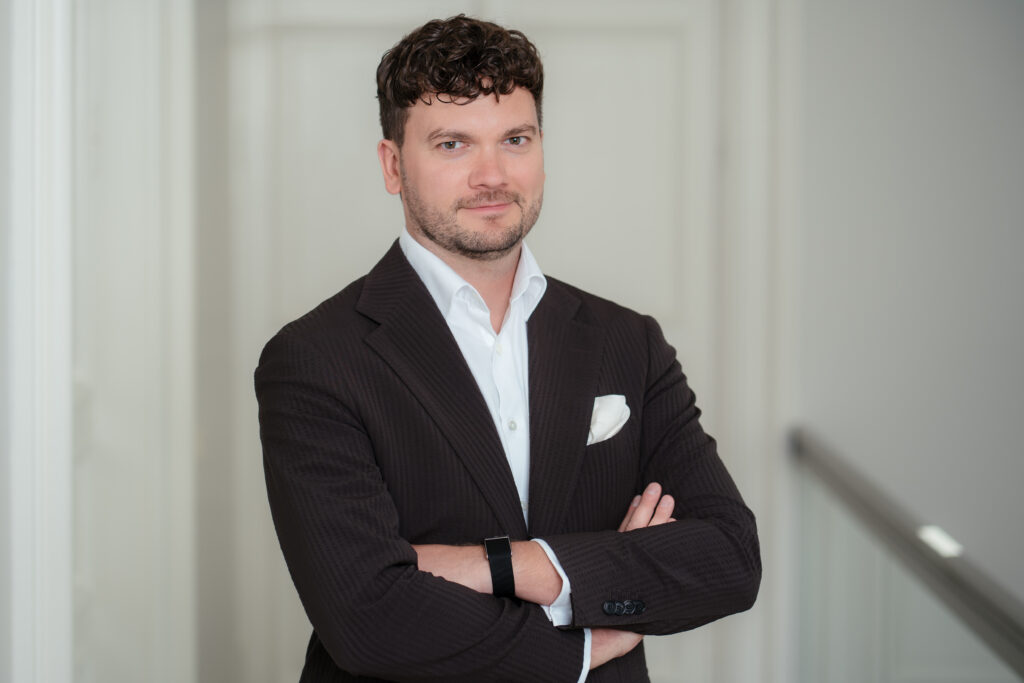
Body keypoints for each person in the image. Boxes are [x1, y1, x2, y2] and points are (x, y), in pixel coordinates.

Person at [255, 14, 760, 683]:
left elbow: (730, 558)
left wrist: (504, 565)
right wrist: (585, 636)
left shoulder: (628, 342)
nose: (491, 176)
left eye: (515, 139)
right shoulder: (315, 359)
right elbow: (368, 616)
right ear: (393, 165)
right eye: (453, 144)